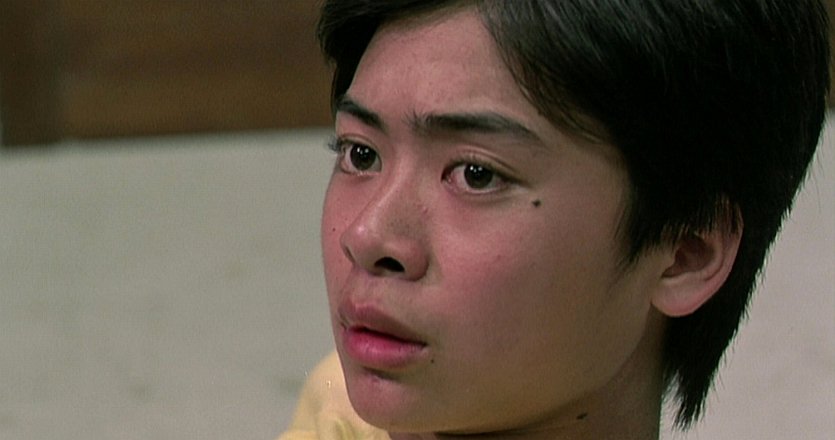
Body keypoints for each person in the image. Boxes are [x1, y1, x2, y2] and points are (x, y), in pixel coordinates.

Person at [279, 1, 830, 439]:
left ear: (686, 252)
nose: (366, 235)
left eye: (476, 174)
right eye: (361, 154)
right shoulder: (337, 414)